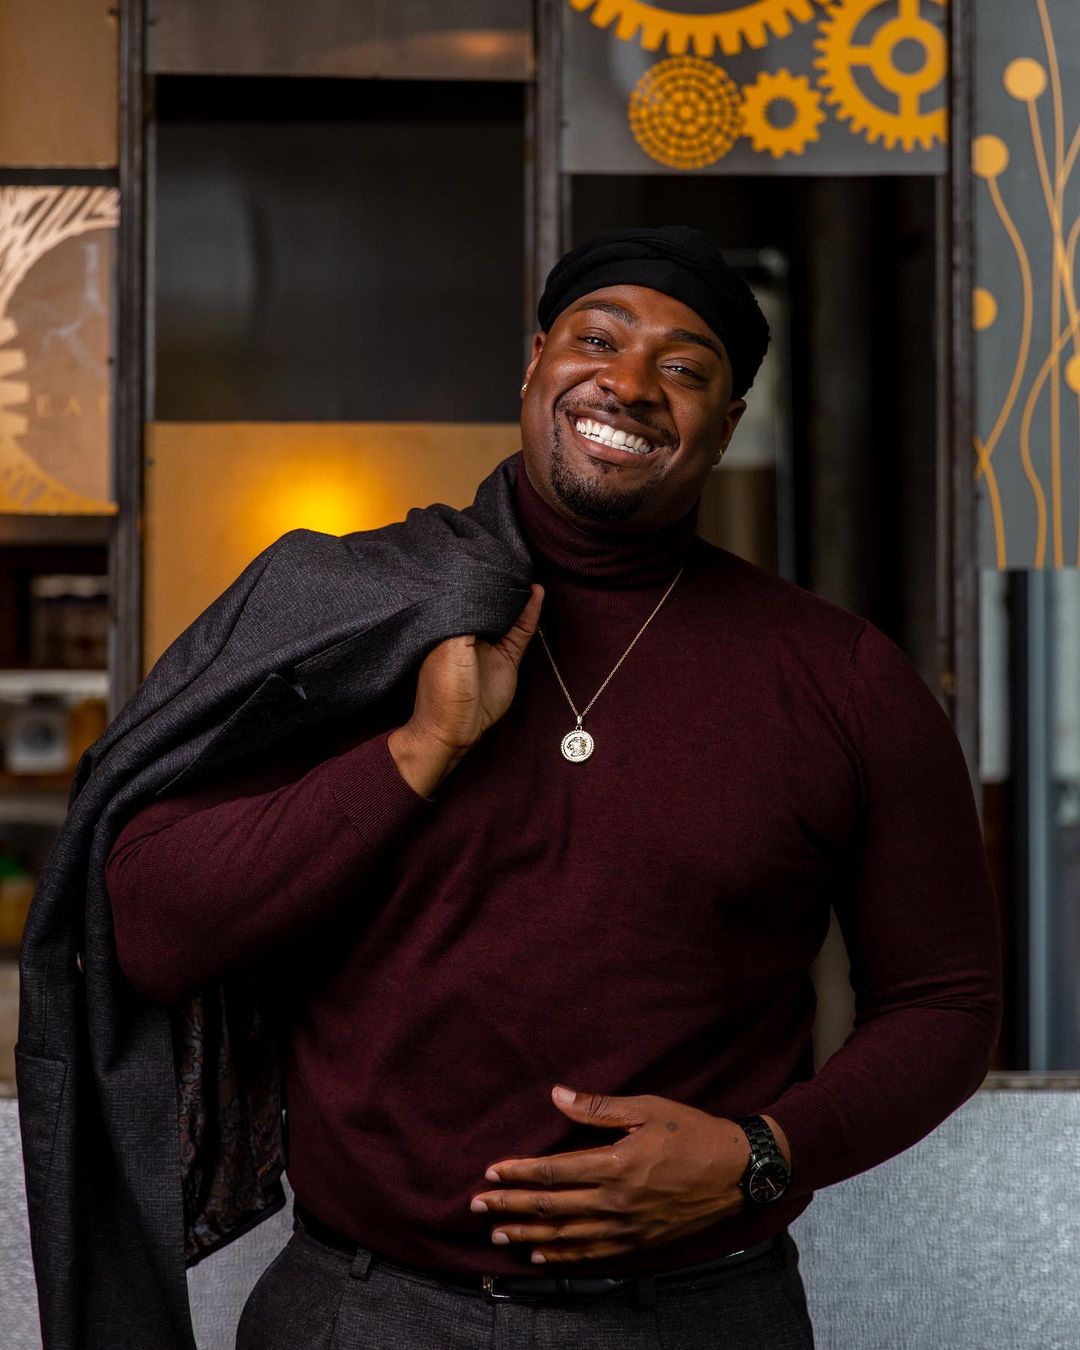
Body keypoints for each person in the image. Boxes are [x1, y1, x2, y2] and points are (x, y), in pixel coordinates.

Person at [101, 227, 1001, 1349]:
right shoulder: (347, 617)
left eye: (685, 367)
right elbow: (154, 929)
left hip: (699, 1319)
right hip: (363, 1310)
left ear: (726, 426)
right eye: (599, 339)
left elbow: (946, 1001)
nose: (631, 382)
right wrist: (417, 751)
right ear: (536, 363)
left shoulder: (842, 677)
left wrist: (764, 1154)